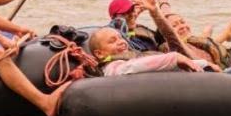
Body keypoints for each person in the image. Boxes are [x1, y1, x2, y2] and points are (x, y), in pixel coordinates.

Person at [87, 27, 215, 76]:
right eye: (112, 41)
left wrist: (204, 63)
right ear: (100, 54)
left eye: (120, 38)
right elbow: (131, 67)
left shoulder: (132, 57)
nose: (121, 41)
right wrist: (174, 57)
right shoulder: (112, 67)